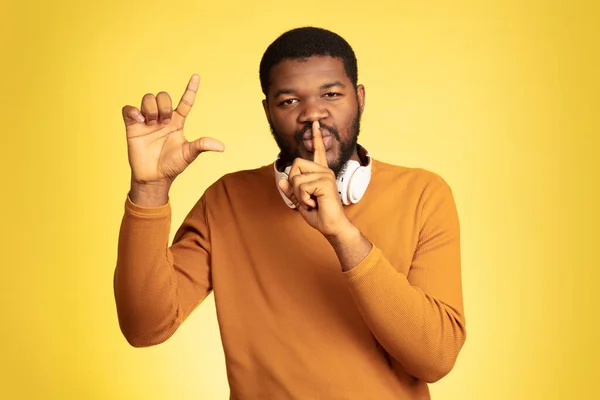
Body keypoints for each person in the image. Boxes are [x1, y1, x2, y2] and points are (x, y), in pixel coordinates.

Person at [114, 26, 466, 399]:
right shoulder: (227, 201)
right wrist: (150, 189)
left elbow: (436, 357)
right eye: (288, 101)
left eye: (331, 94)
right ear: (267, 111)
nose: (313, 113)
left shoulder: (423, 195)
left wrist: (342, 234)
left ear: (359, 99)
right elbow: (144, 327)